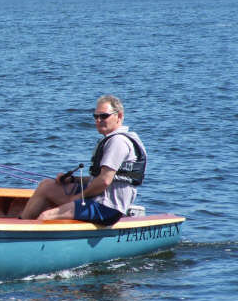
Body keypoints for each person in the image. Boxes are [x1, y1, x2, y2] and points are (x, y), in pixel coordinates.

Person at [19, 95, 147, 226]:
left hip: (107, 207)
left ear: (119, 116)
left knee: (46, 216)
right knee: (46, 186)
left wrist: (79, 197)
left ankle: (25, 241)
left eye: (104, 116)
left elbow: (104, 181)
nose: (98, 120)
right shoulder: (111, 139)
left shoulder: (118, 142)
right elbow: (99, 179)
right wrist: (73, 179)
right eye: (95, 116)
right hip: (98, 197)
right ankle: (20, 225)